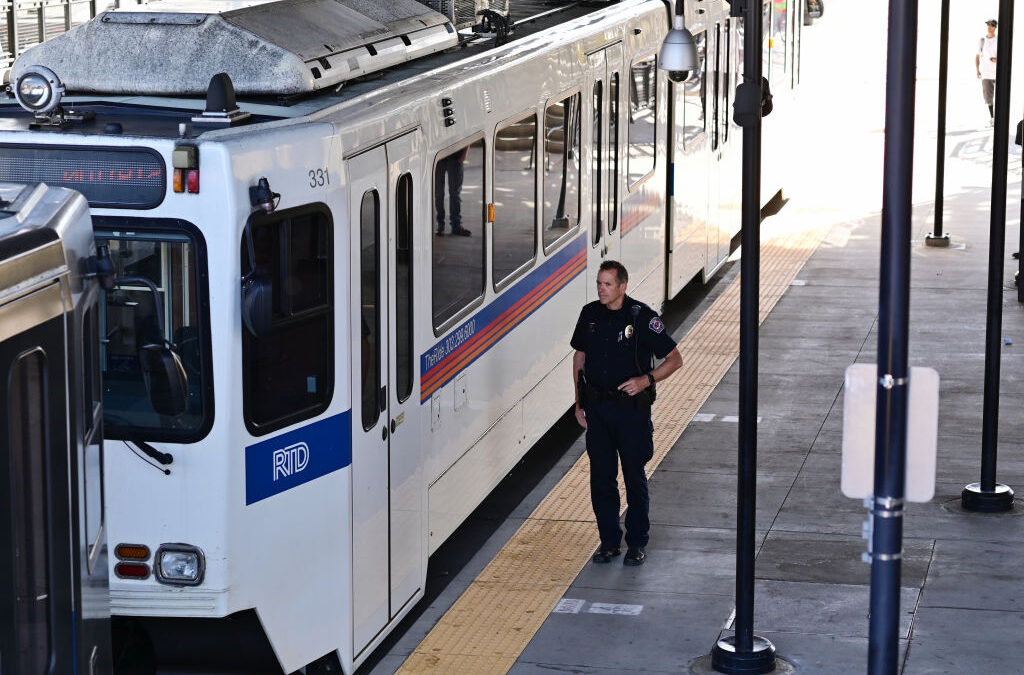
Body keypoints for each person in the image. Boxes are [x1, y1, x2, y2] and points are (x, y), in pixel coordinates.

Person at [571, 261, 682, 566]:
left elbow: (675, 359)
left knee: (634, 477)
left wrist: (646, 380)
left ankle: (636, 542)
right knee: (601, 478)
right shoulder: (589, 314)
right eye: (598, 283)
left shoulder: (642, 317)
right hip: (598, 409)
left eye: (607, 284)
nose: (601, 289)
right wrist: (579, 403)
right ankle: (609, 542)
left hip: (631, 412)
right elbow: (580, 358)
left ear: (622, 286)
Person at [435, 146, 471, 236]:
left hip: (455, 157)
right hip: (439, 157)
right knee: (439, 194)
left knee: (454, 194)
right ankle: (440, 225)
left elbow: (465, 136)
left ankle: (455, 226)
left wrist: (464, 154)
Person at [976, 19, 998, 126]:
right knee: (988, 98)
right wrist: (977, 70)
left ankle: (999, 118)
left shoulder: (998, 40)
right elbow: (977, 56)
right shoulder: (982, 40)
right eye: (988, 25)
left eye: (992, 25)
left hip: (998, 73)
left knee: (1000, 96)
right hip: (986, 74)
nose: (989, 27)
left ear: (995, 27)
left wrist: (997, 59)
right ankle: (992, 118)